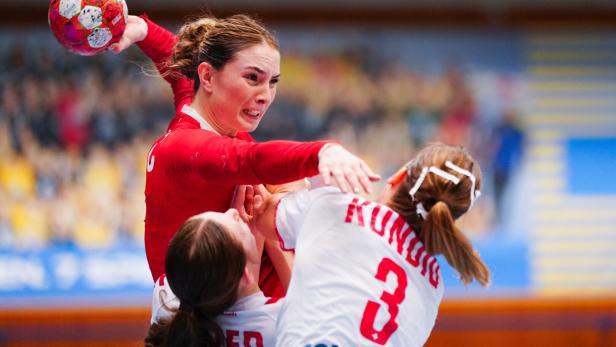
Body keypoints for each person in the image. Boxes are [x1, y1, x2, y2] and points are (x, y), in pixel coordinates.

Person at [110, 14, 380, 297]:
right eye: (253, 78)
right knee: (286, 193)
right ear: (207, 77)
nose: (266, 95)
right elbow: (251, 160)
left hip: (242, 305)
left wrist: (145, 31)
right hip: (216, 325)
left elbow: (182, 70)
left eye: (272, 81)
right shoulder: (185, 148)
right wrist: (322, 151)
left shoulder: (205, 112)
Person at [251, 142, 490, 346]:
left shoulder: (340, 208)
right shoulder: (433, 287)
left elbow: (260, 213)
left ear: (399, 176)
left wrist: (290, 186)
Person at [146, 186, 283, 347]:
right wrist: (274, 235)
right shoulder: (279, 324)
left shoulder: (166, 297)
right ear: (244, 274)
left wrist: (250, 243)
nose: (232, 212)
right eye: (237, 224)